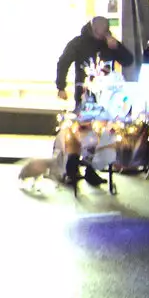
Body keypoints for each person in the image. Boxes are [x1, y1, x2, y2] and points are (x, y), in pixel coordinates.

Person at [55, 16, 134, 186]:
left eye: (106, 29)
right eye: (101, 29)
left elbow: (128, 60)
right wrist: (61, 86)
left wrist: (117, 47)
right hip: (84, 94)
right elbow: (63, 62)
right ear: (93, 28)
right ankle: (72, 169)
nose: (104, 33)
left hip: (106, 96)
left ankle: (92, 169)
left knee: (101, 134)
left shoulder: (109, 43)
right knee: (79, 132)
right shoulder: (79, 43)